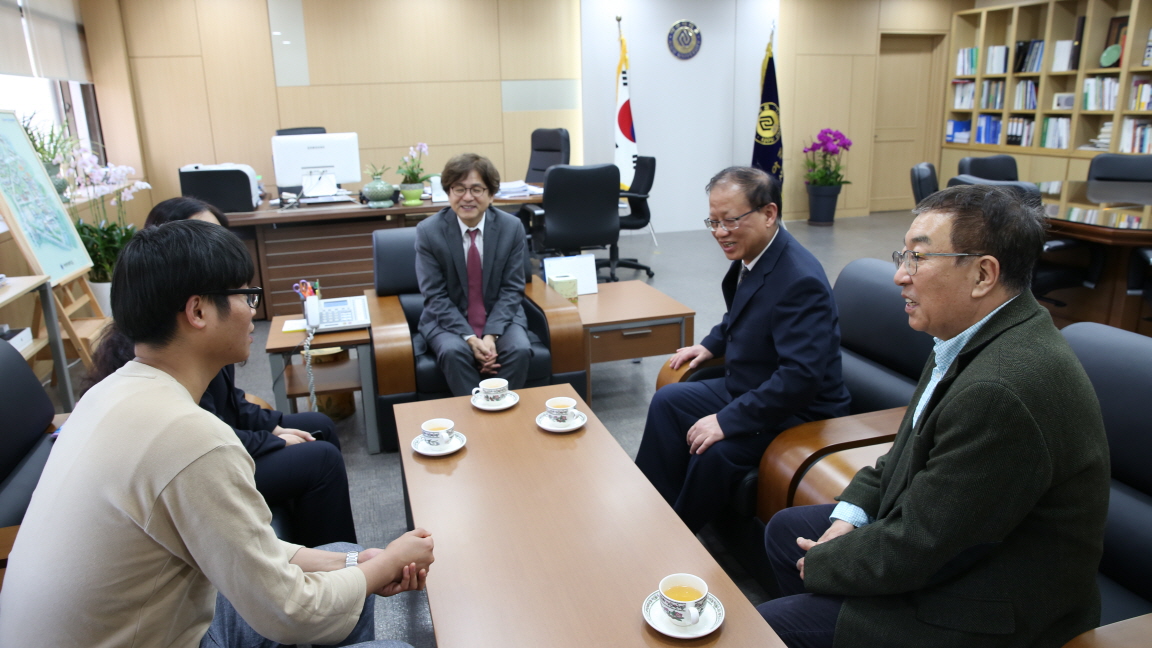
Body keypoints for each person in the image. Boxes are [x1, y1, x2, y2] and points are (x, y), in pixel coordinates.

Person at [0, 220, 434, 647]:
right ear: (198, 311)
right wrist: (382, 567)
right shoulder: (191, 438)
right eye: (246, 296)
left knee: (344, 558)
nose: (253, 310)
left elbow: (246, 549)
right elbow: (291, 612)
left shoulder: (106, 394)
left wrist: (359, 562)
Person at [757, 185, 1111, 648]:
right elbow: (901, 453)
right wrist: (849, 518)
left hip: (996, 605)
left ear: (983, 274)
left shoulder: (1001, 389)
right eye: (902, 255)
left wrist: (826, 562)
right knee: (788, 533)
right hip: (957, 543)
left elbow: (924, 546)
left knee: (775, 626)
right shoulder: (967, 335)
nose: (900, 276)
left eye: (918, 259)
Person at [85, 196, 357, 548]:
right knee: (319, 458)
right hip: (212, 459)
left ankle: (327, 545)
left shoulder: (181, 349)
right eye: (243, 294)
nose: (214, 249)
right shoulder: (166, 369)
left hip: (221, 443)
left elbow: (231, 404)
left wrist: (272, 426)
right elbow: (207, 436)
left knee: (317, 425)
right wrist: (273, 441)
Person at [635, 166, 850, 533]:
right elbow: (742, 311)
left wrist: (726, 420)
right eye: (713, 221)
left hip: (799, 411)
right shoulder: (756, 254)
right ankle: (651, 504)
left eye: (730, 221)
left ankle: (674, 535)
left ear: (769, 213)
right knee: (669, 401)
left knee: (715, 450)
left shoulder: (800, 280)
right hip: (752, 385)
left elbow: (800, 379)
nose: (720, 233)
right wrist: (710, 344)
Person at [414, 153, 530, 396]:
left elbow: (512, 288)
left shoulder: (511, 228)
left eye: (476, 189)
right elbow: (435, 295)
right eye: (459, 189)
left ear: (491, 194)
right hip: (447, 320)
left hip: (500, 316)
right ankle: (473, 423)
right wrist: (470, 338)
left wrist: (490, 335)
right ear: (448, 192)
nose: (467, 197)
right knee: (454, 352)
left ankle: (502, 418)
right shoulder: (429, 232)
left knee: (519, 349)